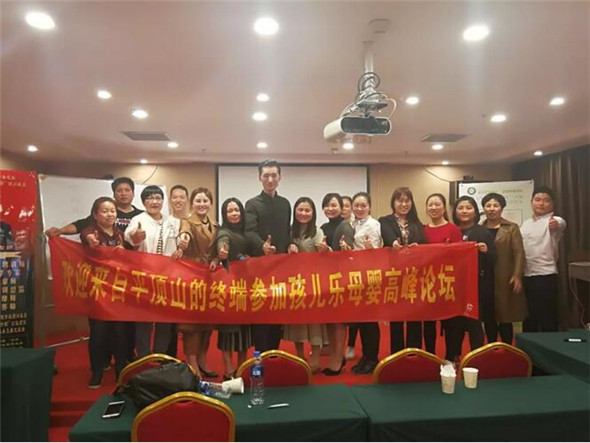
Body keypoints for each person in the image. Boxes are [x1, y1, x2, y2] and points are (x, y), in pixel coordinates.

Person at [45, 177, 142, 368]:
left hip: (124, 281)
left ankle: (126, 357)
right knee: (100, 327)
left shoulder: (138, 216)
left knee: (125, 326)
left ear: (133, 193)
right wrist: (61, 231)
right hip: (99, 283)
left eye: (127, 190)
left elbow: (133, 246)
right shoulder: (99, 215)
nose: (123, 193)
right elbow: (83, 229)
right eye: (119, 190)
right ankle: (101, 363)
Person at [124, 186, 184, 358]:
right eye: (150, 198)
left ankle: (160, 355)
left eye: (158, 198)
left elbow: (181, 240)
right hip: (145, 278)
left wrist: (181, 247)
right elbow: (130, 237)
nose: (155, 202)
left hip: (167, 278)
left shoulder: (171, 221)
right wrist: (136, 236)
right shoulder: (138, 219)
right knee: (144, 320)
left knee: (165, 320)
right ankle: (143, 356)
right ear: (144, 202)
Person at [79, 197, 128, 388]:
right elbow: (86, 236)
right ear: (95, 214)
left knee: (120, 333)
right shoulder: (91, 232)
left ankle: (121, 370)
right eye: (105, 211)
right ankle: (97, 372)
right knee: (98, 333)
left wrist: (124, 251)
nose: (110, 215)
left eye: (113, 211)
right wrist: (91, 241)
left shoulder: (120, 234)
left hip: (117, 291)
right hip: (98, 291)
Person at [245, 159, 291, 352]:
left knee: (278, 308)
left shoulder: (285, 204)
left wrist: (292, 244)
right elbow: (249, 232)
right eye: (266, 175)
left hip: (281, 266)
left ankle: (273, 351)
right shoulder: (252, 204)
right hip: (260, 267)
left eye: (274, 175)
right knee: (261, 310)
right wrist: (261, 246)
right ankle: (260, 354)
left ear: (280, 177)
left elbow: (287, 231)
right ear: (260, 178)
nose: (270, 179)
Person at [284, 197, 330, 373]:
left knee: (314, 322)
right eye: (300, 210)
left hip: (313, 284)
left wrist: (325, 250)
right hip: (294, 284)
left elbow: (325, 253)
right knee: (298, 322)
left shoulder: (317, 232)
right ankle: (300, 356)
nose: (303, 213)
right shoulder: (289, 232)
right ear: (294, 212)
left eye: (307, 210)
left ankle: (315, 358)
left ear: (313, 213)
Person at [379, 187, 426, 354]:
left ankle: (414, 352)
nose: (404, 204)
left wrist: (418, 246)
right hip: (395, 274)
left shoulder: (417, 223)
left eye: (407, 200)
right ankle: (397, 354)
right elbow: (387, 236)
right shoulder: (385, 220)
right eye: (400, 200)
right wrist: (394, 243)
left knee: (414, 314)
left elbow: (423, 242)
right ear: (393, 203)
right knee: (397, 316)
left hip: (414, 274)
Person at [450, 196, 497, 362]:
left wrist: (486, 251)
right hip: (453, 285)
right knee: (454, 323)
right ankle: (452, 356)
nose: (464, 211)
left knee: (474, 322)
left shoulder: (483, 232)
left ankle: (476, 358)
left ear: (475, 212)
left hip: (477, 286)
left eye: (468, 208)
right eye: (461, 208)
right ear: (455, 212)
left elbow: (494, 259)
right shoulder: (452, 231)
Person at [210, 197, 252, 381]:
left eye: (236, 210)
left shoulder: (246, 232)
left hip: (246, 288)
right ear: (224, 214)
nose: (234, 214)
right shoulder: (224, 231)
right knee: (227, 331)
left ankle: (241, 369)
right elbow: (222, 242)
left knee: (244, 333)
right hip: (229, 288)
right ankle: (228, 370)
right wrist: (221, 252)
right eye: (229, 211)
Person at [179, 187, 219, 378]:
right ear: (192, 203)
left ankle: (203, 358)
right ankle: (192, 361)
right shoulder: (187, 222)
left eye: (205, 201)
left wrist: (216, 259)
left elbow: (216, 250)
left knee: (208, 323)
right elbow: (184, 233)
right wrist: (183, 239)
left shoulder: (215, 224)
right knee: (192, 324)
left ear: (210, 204)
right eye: (198, 201)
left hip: (211, 277)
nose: (202, 204)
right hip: (192, 277)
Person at [343, 192, 382, 374]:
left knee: (370, 320)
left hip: (369, 276)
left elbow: (375, 251)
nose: (359, 209)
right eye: (356, 205)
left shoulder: (373, 225)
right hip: (355, 276)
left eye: (363, 205)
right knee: (361, 319)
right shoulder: (352, 223)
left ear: (369, 206)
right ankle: (366, 356)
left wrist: (371, 249)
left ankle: (372, 358)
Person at [481, 192, 527, 344]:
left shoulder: (511, 227)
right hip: (485, 277)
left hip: (505, 275)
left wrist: (517, 275)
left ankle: (508, 347)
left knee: (505, 315)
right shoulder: (479, 228)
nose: (492, 209)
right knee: (489, 316)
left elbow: (519, 252)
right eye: (488, 205)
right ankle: (491, 346)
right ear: (483, 208)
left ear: (502, 208)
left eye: (496, 205)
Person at [521, 186, 567, 332]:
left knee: (548, 316)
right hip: (526, 274)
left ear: (552, 204)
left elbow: (561, 224)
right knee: (529, 316)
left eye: (546, 200)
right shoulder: (525, 224)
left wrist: (557, 223)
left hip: (546, 275)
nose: (541, 203)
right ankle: (528, 344)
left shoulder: (553, 220)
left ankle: (549, 344)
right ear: (531, 202)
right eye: (537, 200)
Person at [423, 193, 463, 357]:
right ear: (426, 208)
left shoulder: (453, 229)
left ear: (444, 207)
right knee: (429, 323)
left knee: (450, 321)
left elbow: (460, 255)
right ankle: (430, 355)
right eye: (430, 205)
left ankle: (450, 357)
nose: (433, 208)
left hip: (448, 281)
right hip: (427, 282)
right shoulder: (422, 230)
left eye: (437, 204)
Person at [319, 193, 349, 375]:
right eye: (327, 205)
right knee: (330, 320)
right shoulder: (323, 227)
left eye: (334, 205)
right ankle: (335, 354)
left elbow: (346, 254)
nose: (330, 209)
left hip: (341, 279)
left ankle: (338, 358)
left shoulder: (345, 226)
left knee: (339, 321)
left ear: (341, 207)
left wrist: (329, 250)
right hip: (326, 279)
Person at [166, 185, 192, 358]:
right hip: (170, 276)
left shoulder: (193, 221)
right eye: (175, 197)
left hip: (192, 276)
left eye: (182, 197)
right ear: (170, 200)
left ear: (187, 200)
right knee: (170, 321)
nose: (178, 201)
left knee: (190, 324)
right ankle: (170, 357)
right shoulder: (164, 221)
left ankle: (192, 360)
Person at [339, 195, 359, 361]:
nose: (343, 209)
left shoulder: (356, 225)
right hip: (337, 275)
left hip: (355, 274)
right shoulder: (334, 225)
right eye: (342, 206)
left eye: (346, 206)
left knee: (354, 312)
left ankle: (351, 344)